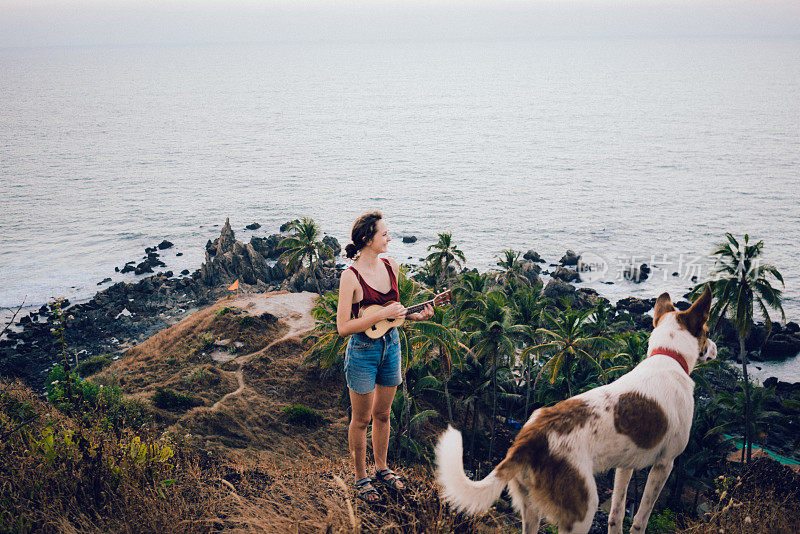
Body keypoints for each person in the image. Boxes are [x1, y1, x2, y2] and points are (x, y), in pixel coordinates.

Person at [336, 211, 433, 504]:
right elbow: (343, 327)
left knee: (383, 414)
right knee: (362, 419)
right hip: (363, 352)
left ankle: (382, 469)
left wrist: (415, 315)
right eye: (384, 234)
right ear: (367, 239)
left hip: (391, 346)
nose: (390, 238)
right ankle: (361, 478)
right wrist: (383, 313)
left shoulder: (391, 265)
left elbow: (393, 316)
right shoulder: (349, 277)